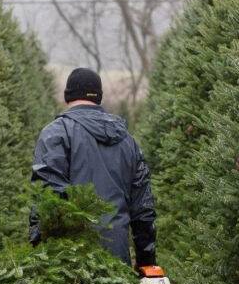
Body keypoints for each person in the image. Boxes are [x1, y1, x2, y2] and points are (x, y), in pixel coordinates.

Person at [30, 67, 157, 268]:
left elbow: (47, 199)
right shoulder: (128, 141)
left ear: (67, 97)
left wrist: (38, 254)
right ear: (98, 98)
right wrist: (146, 263)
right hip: (118, 262)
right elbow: (143, 210)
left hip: (69, 265)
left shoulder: (56, 133)